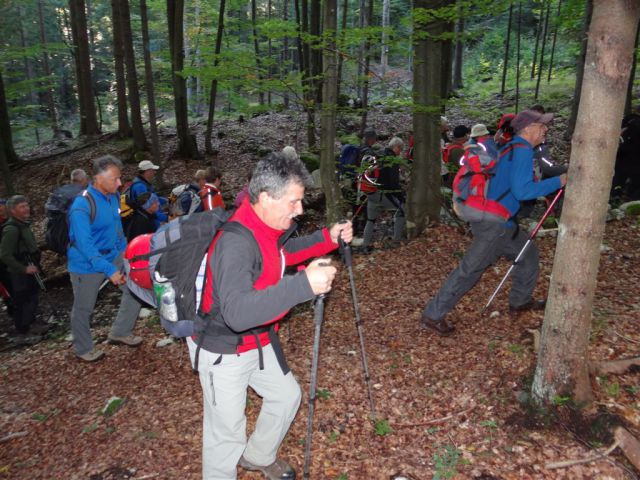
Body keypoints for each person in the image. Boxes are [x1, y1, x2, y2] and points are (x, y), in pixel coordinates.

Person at [187, 152, 353, 480]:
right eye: (294, 202)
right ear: (265, 197)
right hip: (223, 348)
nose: (300, 210)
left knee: (287, 395)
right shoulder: (235, 242)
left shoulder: (262, 224)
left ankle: (258, 456)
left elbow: (279, 256)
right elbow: (236, 313)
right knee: (226, 437)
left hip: (258, 338)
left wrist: (326, 239)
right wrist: (302, 286)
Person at [420, 109, 567, 336]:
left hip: (502, 221)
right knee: (471, 269)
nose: (546, 130)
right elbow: (523, 191)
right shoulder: (522, 150)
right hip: (493, 222)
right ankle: (433, 314)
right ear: (528, 129)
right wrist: (559, 181)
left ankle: (520, 300)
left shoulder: (510, 146)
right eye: (542, 126)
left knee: (527, 254)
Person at [68, 155, 144, 362]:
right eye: (114, 179)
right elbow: (86, 246)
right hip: (86, 262)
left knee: (136, 287)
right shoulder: (81, 205)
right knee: (84, 307)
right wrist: (110, 271)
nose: (119, 183)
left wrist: (128, 255)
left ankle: (120, 331)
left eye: (119, 178)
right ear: (97, 178)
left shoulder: (112, 197)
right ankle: (83, 348)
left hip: (113, 254)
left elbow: (117, 231)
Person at [0, 195, 43, 339]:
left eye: (26, 205)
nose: (26, 209)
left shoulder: (24, 224)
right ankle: (23, 332)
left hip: (29, 267)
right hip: (20, 272)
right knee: (23, 301)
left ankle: (32, 324)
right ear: (13, 210)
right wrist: (23, 269)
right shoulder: (11, 229)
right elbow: (5, 255)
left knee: (32, 297)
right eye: (22, 207)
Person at [360, 137, 406, 252]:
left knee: (370, 220)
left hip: (371, 192)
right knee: (401, 211)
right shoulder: (392, 160)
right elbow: (392, 183)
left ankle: (365, 246)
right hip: (382, 194)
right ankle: (396, 241)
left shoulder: (379, 155)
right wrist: (401, 196)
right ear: (395, 147)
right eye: (400, 149)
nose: (400, 151)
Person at [612, 105, 640, 200]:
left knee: (619, 176)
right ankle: (633, 196)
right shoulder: (631, 121)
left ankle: (615, 195)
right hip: (635, 155)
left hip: (623, 153)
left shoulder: (627, 120)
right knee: (635, 178)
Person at [129, 160, 168, 224]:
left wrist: (167, 200)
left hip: (151, 219)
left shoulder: (145, 184)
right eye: (153, 170)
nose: (155, 172)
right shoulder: (140, 187)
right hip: (146, 223)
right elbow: (148, 209)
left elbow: (154, 199)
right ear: (147, 171)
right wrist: (166, 218)